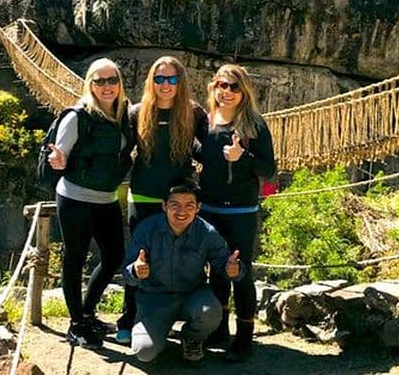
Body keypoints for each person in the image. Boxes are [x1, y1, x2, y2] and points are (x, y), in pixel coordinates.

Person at [116, 56, 208, 344]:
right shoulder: (137, 112)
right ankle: (129, 318)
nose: (165, 85)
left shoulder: (193, 113)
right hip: (143, 194)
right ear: (151, 82)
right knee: (139, 258)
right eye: (159, 79)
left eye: (171, 79)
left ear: (180, 82)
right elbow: (120, 152)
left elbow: (208, 148)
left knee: (178, 256)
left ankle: (173, 318)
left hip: (179, 200)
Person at [47, 57, 134, 349]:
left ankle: (86, 313)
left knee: (114, 257)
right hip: (75, 198)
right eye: (100, 81)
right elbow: (59, 154)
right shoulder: (78, 116)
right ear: (90, 84)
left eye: (112, 80)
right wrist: (58, 160)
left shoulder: (124, 114)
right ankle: (77, 325)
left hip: (107, 198)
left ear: (120, 83)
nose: (107, 86)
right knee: (75, 258)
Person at [196, 64, 276, 362]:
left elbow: (269, 170)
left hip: (241, 211)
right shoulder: (206, 122)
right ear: (214, 87)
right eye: (222, 85)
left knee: (240, 272)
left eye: (234, 87)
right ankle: (219, 330)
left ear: (244, 92)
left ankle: (244, 338)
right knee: (217, 271)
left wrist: (244, 157)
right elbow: (203, 154)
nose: (227, 92)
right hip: (210, 209)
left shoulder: (254, 126)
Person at [122, 182, 243, 363]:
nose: (182, 211)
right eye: (175, 205)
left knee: (211, 312)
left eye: (189, 205)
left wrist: (233, 269)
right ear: (164, 206)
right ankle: (156, 333)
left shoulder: (207, 232)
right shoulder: (147, 229)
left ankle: (192, 339)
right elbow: (126, 273)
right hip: (154, 299)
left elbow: (224, 262)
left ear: (198, 208)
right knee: (144, 352)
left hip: (193, 295)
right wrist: (136, 271)